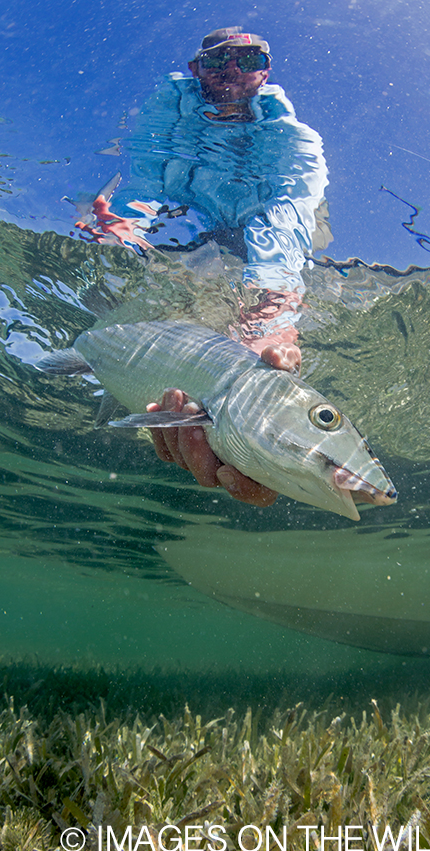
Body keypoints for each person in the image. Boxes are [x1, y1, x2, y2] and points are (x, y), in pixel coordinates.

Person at [79, 27, 324, 506]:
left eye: (248, 58)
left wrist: (273, 316)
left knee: (259, 305)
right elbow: (147, 175)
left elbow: (288, 213)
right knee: (152, 292)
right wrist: (128, 225)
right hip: (192, 223)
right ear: (195, 69)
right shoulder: (166, 108)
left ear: (265, 70)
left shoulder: (292, 137)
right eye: (218, 60)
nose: (233, 69)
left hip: (266, 227)